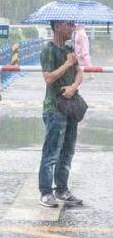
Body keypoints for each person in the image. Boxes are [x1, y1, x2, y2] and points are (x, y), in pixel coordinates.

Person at [38, 20, 84, 208]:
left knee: (68, 151)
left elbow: (79, 72)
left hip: (71, 107)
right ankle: (46, 192)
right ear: (57, 26)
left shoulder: (69, 50)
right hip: (54, 108)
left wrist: (73, 86)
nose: (71, 28)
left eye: (73, 25)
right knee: (52, 152)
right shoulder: (48, 50)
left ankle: (62, 189)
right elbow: (48, 78)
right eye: (68, 24)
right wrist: (67, 63)